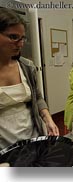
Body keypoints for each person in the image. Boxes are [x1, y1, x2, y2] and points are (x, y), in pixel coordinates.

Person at [0, 8, 59, 150]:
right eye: (13, 37)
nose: (20, 44)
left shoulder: (26, 66)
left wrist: (48, 119)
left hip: (33, 139)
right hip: (4, 149)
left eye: (22, 38)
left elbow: (37, 97)